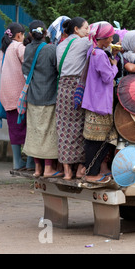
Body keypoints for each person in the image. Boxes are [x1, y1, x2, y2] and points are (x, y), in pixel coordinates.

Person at [81, 21, 119, 184]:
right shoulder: (101, 55)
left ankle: (91, 170)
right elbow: (108, 77)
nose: (111, 40)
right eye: (110, 37)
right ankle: (91, 173)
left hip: (92, 101)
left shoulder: (93, 51)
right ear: (103, 38)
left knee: (93, 139)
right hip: (100, 103)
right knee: (99, 141)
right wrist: (115, 65)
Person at [22, 21, 60, 178]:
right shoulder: (51, 49)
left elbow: (25, 72)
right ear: (45, 33)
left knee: (35, 133)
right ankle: (49, 169)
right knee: (49, 133)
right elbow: (58, 69)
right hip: (49, 96)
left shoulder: (28, 49)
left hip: (32, 97)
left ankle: (37, 169)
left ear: (30, 34)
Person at [55, 17, 91, 180]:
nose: (88, 31)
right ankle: (80, 169)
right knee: (80, 128)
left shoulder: (60, 45)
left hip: (62, 88)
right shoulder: (84, 43)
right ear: (76, 29)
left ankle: (67, 170)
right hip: (78, 88)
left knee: (63, 128)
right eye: (86, 28)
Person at [0, 23, 35, 171]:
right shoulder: (18, 47)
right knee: (30, 129)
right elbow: (30, 63)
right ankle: (30, 163)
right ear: (19, 34)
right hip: (20, 95)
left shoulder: (4, 50)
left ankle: (17, 161)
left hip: (6, 95)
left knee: (14, 129)